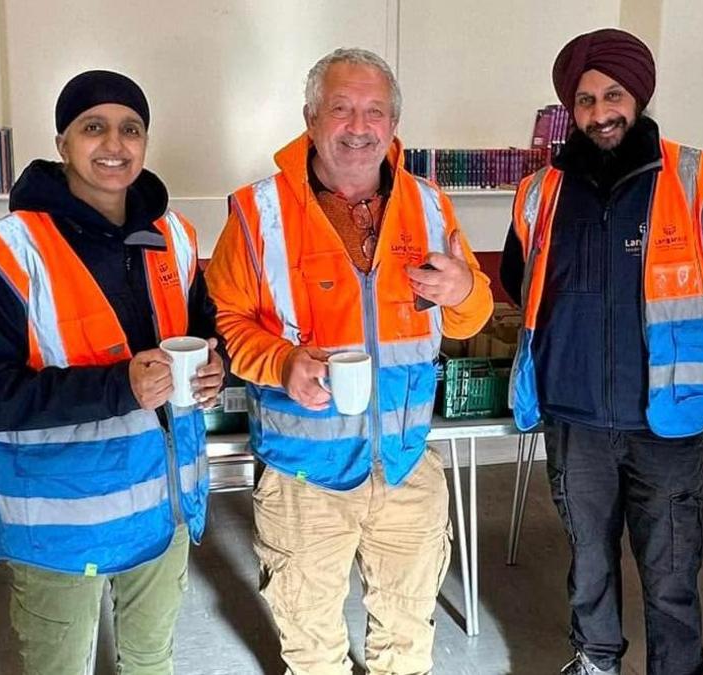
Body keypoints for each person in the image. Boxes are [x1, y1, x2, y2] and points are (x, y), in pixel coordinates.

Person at [205, 48, 492, 674]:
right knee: (311, 647)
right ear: (311, 119)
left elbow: (472, 316)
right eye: (340, 109)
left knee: (407, 638)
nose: (358, 127)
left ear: (393, 124)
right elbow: (228, 324)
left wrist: (465, 291)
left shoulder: (429, 205)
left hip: (408, 464)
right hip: (304, 476)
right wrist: (281, 363)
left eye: (374, 111)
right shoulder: (258, 213)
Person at [501, 28, 703, 675]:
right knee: (588, 560)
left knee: (672, 567)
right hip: (576, 420)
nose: (600, 112)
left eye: (613, 95)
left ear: (639, 97)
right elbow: (522, 279)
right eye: (586, 99)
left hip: (664, 419)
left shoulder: (698, 180)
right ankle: (596, 658)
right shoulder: (541, 192)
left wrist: (691, 346)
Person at [0, 70, 224, 674]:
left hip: (163, 505)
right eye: (93, 127)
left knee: (152, 660)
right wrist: (116, 386)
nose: (114, 144)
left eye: (131, 129)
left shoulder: (174, 237)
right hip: (63, 524)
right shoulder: (5, 253)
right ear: (62, 142)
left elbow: (205, 327)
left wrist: (216, 365)